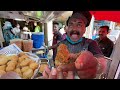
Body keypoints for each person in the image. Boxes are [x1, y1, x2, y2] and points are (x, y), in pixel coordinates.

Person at [43, 11, 107, 79]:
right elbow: (56, 64)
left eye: (79, 25)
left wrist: (96, 65)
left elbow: (102, 64)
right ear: (67, 29)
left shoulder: (91, 43)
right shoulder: (62, 44)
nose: (74, 29)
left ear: (84, 29)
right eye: (71, 24)